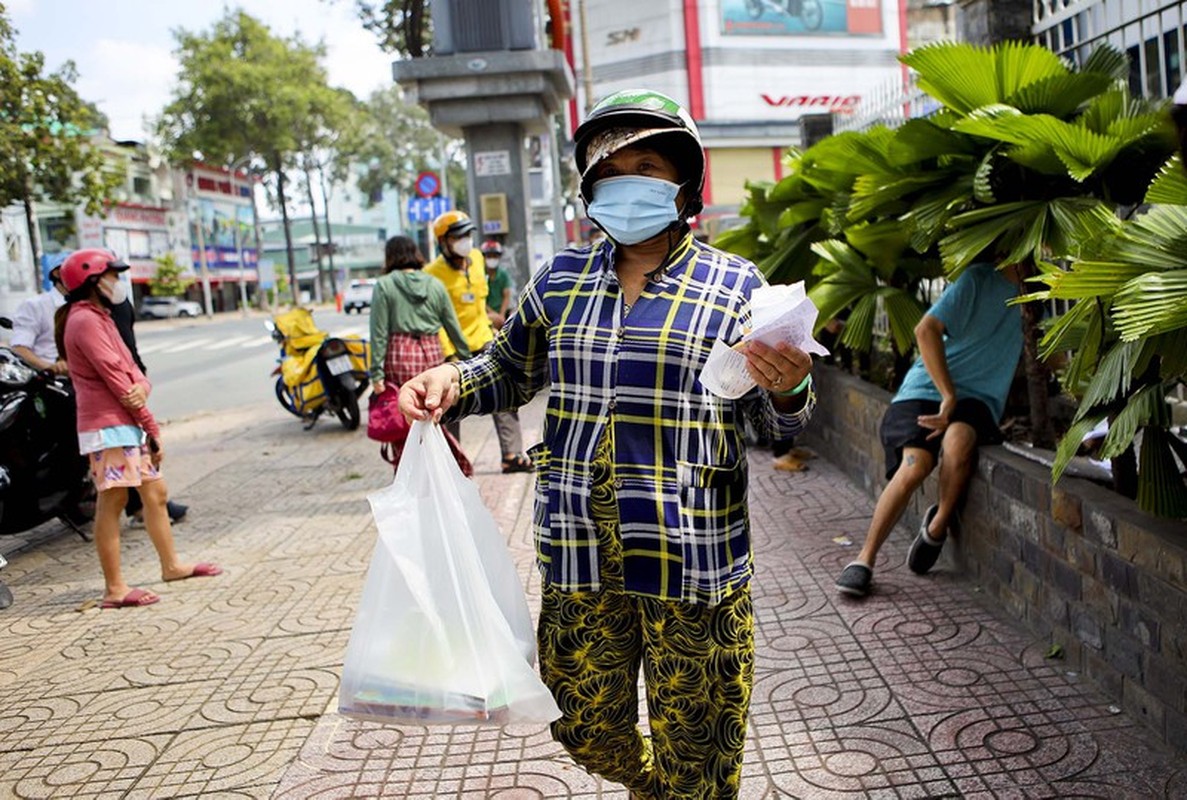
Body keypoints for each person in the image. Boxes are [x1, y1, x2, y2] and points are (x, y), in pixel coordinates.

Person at [400, 89, 815, 799]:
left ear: (682, 182)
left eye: (646, 164)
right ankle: (649, 788)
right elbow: (507, 368)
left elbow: (780, 426)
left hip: (693, 560)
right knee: (584, 726)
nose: (626, 181)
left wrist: (785, 387)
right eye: (609, 169)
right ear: (589, 188)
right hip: (579, 555)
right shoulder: (560, 280)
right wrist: (450, 380)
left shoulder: (734, 285)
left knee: (699, 756)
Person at [834, 261, 1024, 598]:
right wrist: (947, 395)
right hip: (925, 390)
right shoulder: (979, 277)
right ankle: (863, 559)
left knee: (959, 440)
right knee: (915, 465)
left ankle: (936, 527)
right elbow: (926, 329)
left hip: (977, 399)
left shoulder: (1040, 290)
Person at [54, 248, 220, 609]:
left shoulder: (102, 317)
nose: (117, 282)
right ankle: (114, 588)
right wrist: (151, 426)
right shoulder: (83, 322)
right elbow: (119, 384)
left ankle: (171, 565)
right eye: (111, 276)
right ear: (93, 282)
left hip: (125, 425)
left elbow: (134, 373)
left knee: (156, 494)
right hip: (108, 427)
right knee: (112, 502)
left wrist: (143, 392)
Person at [424, 210, 533, 473]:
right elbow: (435, 318)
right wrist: (448, 354)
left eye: (467, 234)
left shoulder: (476, 259)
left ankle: (512, 454)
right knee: (450, 405)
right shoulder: (432, 274)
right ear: (443, 242)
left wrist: (494, 333)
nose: (465, 241)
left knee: (505, 394)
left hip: (484, 339)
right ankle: (453, 463)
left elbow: (481, 302)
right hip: (454, 347)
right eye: (458, 236)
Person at [368, 235, 472, 471]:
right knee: (432, 412)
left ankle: (409, 473)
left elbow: (379, 333)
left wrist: (376, 374)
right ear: (415, 254)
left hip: (399, 353)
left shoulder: (384, 286)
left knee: (406, 415)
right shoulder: (435, 284)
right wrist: (467, 361)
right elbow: (452, 325)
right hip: (432, 352)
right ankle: (443, 468)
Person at [109, 294, 189, 525]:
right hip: (114, 400)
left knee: (143, 469)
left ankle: (149, 509)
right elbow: (111, 367)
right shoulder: (83, 317)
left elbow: (128, 352)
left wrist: (141, 381)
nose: (113, 279)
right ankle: (142, 508)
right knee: (113, 495)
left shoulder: (116, 304)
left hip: (132, 387)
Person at [10, 262, 69, 375]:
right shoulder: (36, 305)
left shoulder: (89, 306)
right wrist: (52, 368)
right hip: (51, 382)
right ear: (57, 273)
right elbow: (20, 349)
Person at [480, 238, 514, 329]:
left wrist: (501, 315)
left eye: (495, 256)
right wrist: (492, 314)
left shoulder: (503, 274)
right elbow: (479, 298)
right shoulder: (480, 274)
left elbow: (506, 296)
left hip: (501, 313)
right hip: (485, 313)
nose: (492, 259)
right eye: (489, 256)